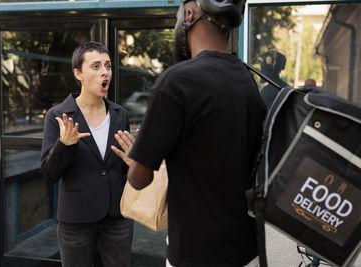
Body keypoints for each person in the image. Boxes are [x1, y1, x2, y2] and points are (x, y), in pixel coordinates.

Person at [112, 1, 266, 266]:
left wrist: (136, 159)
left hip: (195, 254)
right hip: (246, 251)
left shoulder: (177, 81)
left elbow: (138, 179)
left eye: (176, 16)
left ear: (190, 15)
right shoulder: (247, 79)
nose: (176, 23)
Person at [40, 41, 133, 267]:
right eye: (96, 66)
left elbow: (126, 171)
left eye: (108, 66)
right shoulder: (58, 115)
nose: (105, 72)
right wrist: (64, 144)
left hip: (117, 219)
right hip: (76, 221)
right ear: (78, 73)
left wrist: (133, 161)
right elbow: (49, 173)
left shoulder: (120, 115)